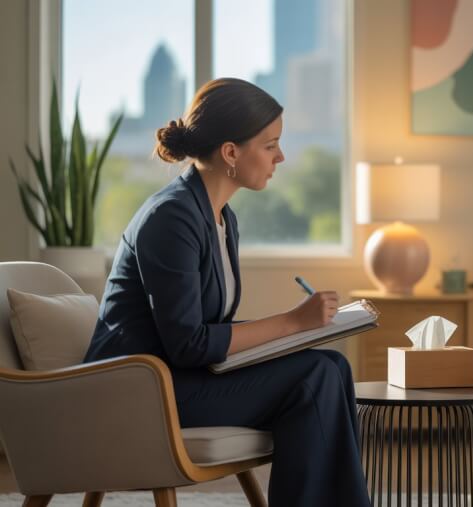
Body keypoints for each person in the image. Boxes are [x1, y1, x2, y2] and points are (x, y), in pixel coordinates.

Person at [83, 78, 370, 507]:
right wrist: (293, 322)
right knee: (316, 376)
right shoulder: (171, 218)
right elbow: (189, 343)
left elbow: (207, 329)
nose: (281, 156)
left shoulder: (220, 217)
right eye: (271, 145)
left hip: (179, 377)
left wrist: (296, 334)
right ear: (231, 153)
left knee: (332, 364)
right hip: (140, 391)